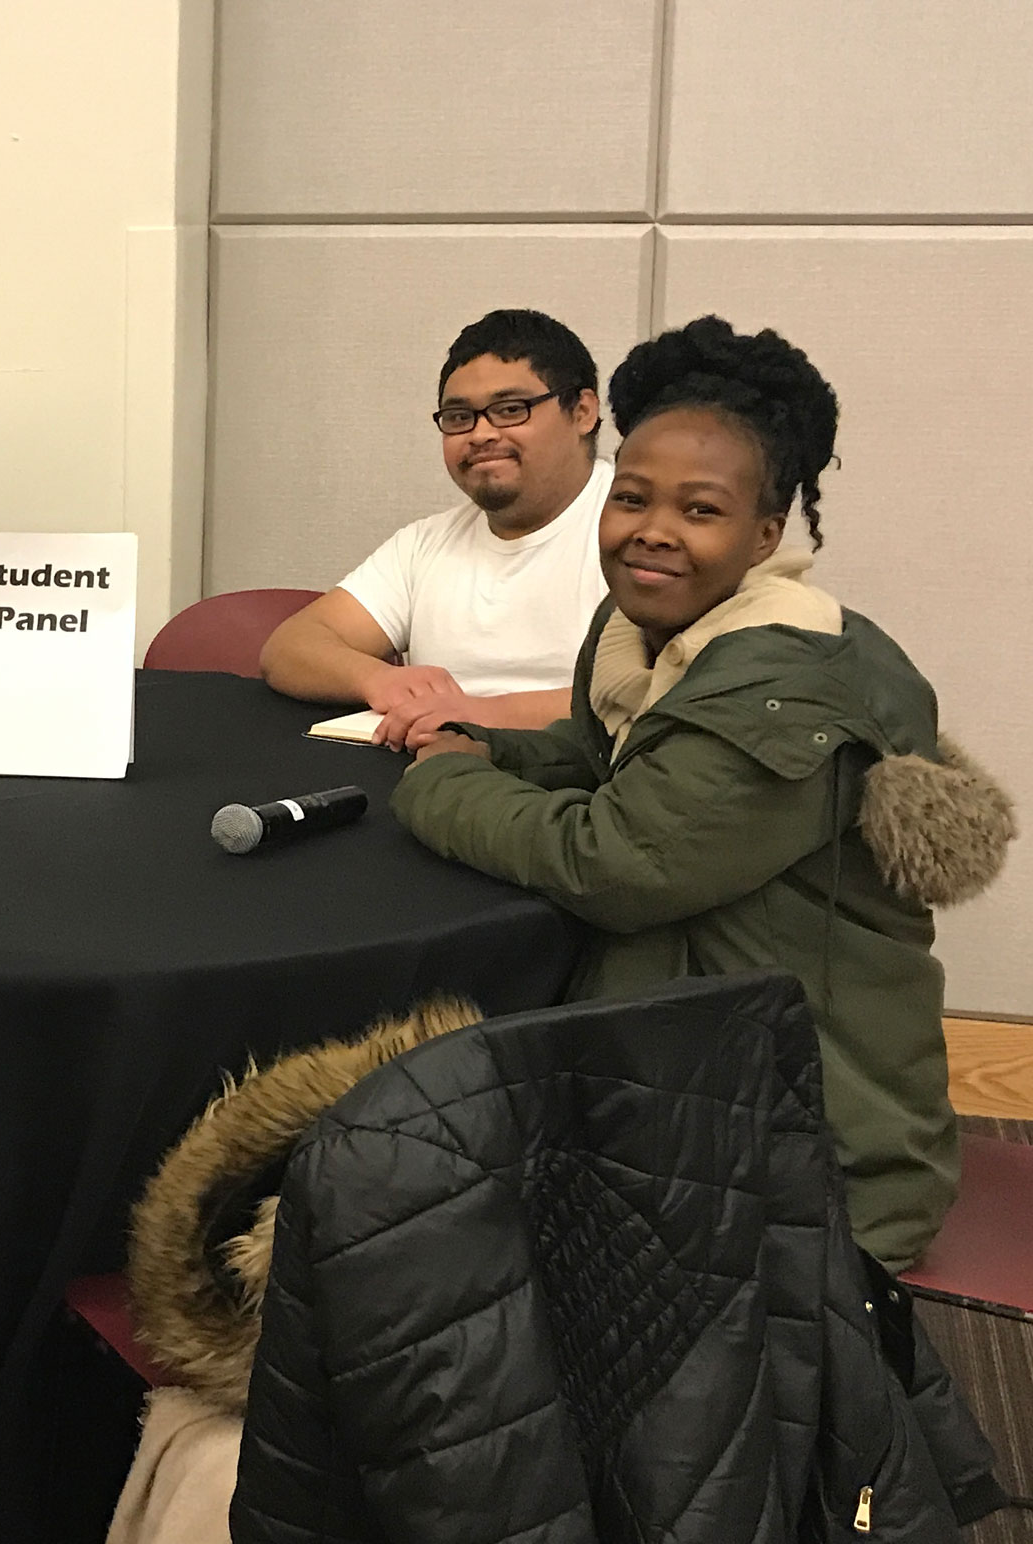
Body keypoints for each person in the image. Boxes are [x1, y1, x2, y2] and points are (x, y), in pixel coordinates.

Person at [390, 316, 1017, 1269]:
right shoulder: (652, 625)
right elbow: (608, 758)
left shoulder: (782, 685)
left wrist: (440, 786)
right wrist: (487, 749)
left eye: (700, 510)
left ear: (767, 534)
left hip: (810, 1172)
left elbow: (616, 860)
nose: (653, 532)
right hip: (694, 1105)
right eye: (632, 498)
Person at [260, 308, 612, 748]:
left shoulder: (640, 530)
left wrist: (479, 715)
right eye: (459, 417)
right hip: (437, 779)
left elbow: (665, 695)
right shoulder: (426, 543)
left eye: (508, 410)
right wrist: (379, 679)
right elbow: (289, 648)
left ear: (582, 412)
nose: (481, 434)